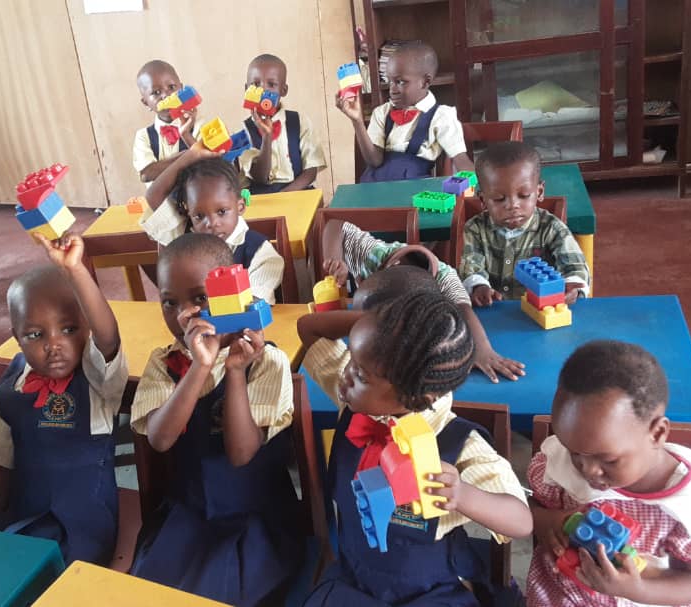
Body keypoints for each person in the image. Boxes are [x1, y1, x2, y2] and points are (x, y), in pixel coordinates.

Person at [298, 289, 532, 605]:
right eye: (351, 359)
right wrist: (381, 326)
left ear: (418, 398)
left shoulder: (460, 444)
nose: (347, 375)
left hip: (430, 592)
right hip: (356, 581)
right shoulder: (357, 400)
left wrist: (463, 494)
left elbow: (520, 521)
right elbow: (308, 327)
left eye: (361, 374)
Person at [129, 232, 301, 606]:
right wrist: (200, 367)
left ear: (232, 295)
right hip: (189, 513)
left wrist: (234, 370)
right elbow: (160, 440)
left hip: (253, 517)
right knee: (152, 592)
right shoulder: (164, 363)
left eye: (199, 299)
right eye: (169, 302)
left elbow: (241, 454)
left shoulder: (266, 362)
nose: (184, 315)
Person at [526, 340, 691, 607]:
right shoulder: (560, 465)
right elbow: (529, 507)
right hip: (565, 595)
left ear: (657, 433)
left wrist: (635, 590)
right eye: (574, 452)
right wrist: (547, 521)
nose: (587, 470)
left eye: (609, 460)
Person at [0, 234, 127, 565]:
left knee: (65, 573)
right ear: (16, 338)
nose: (53, 345)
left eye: (69, 329)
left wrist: (75, 270)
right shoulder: (13, 383)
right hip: (27, 506)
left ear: (87, 327)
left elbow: (108, 339)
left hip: (85, 515)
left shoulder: (98, 379)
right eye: (35, 335)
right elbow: (5, 456)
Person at [322, 217, 525, 382]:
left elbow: (463, 309)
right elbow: (335, 225)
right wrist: (335, 261)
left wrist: (482, 350)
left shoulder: (445, 281)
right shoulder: (373, 255)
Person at [141, 149, 284, 303]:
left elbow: (251, 305)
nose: (211, 223)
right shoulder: (185, 236)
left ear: (240, 206)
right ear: (188, 212)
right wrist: (191, 155)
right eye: (199, 216)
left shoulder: (259, 252)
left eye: (222, 211)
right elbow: (153, 196)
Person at [459, 141, 589, 306]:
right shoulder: (475, 228)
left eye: (524, 195)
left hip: (540, 311)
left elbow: (575, 266)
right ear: (483, 200)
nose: (512, 205)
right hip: (493, 310)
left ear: (539, 192)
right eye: (499, 199)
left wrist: (572, 286)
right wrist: (478, 286)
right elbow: (471, 266)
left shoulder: (552, 228)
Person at [335, 41, 472, 182]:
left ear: (425, 82)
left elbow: (461, 160)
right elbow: (374, 161)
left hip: (415, 187)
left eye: (400, 82)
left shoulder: (441, 116)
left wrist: (478, 189)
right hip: (375, 185)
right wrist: (357, 120)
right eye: (390, 81)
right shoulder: (382, 112)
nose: (392, 89)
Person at [238, 53, 327, 194]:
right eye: (255, 84)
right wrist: (266, 138)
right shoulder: (244, 131)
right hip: (262, 196)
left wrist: (284, 195)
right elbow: (259, 177)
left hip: (297, 190)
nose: (263, 90)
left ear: (283, 90)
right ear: (246, 89)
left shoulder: (299, 121)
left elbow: (311, 171)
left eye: (271, 84)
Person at [133, 59, 201, 184]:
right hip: (161, 198)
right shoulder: (143, 136)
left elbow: (207, 164)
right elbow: (147, 173)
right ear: (146, 103)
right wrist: (191, 155)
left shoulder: (199, 126)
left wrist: (186, 135)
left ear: (181, 88)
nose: (166, 95)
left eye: (171, 87)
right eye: (156, 92)